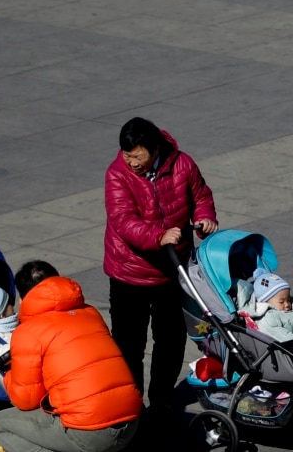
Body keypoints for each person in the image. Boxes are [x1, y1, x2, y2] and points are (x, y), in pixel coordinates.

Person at [103, 116, 218, 419]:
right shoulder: (117, 174)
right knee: (129, 344)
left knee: (171, 339)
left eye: (138, 155)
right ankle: (131, 402)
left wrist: (205, 217)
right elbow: (123, 220)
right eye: (127, 154)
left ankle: (163, 397)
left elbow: (201, 196)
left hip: (172, 270)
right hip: (130, 273)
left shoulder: (182, 165)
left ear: (155, 149)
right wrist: (159, 236)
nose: (132, 162)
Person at [0, 260, 142, 452]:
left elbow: (26, 401)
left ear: (23, 298)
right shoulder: (90, 312)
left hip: (90, 432)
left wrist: (10, 373)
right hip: (131, 422)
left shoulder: (28, 331)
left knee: (0, 425)